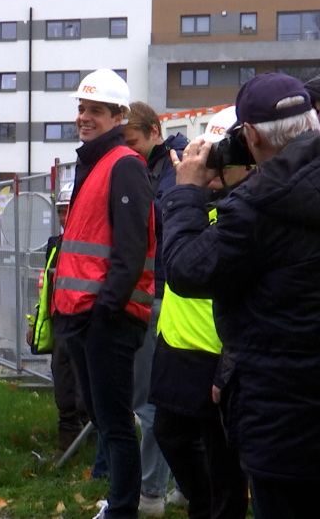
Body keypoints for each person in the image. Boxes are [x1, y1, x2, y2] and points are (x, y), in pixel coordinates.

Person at [162, 72, 320, 519]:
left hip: (285, 419)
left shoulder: (260, 205)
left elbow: (186, 269)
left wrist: (188, 193)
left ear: (248, 135)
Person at [52, 68, 156, 519]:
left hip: (104, 318)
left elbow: (130, 252)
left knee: (115, 423)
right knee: (104, 418)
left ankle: (123, 508)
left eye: (95, 110)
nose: (84, 117)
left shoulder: (124, 166)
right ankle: (118, 501)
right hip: (82, 314)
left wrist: (104, 314)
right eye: (81, 108)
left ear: (118, 116)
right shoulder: (95, 163)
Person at [149, 106, 249, 519]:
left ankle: (214, 509)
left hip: (218, 353)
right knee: (168, 433)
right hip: (176, 342)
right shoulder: (193, 200)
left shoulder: (243, 210)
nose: (211, 167)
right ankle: (201, 502)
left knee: (224, 461)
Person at [123, 101, 188, 517]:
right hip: (164, 292)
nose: (128, 150)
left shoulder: (175, 170)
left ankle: (150, 495)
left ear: (153, 131)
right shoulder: (157, 166)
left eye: (132, 142)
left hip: (163, 293)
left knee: (150, 400)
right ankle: (184, 485)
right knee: (172, 400)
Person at [27, 182, 89, 451]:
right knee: (63, 382)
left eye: (68, 211)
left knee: (84, 389)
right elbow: (47, 291)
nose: (64, 218)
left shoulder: (89, 243)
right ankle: (67, 446)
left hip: (85, 324)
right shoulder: (55, 245)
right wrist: (36, 323)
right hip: (60, 322)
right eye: (61, 212)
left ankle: (89, 446)